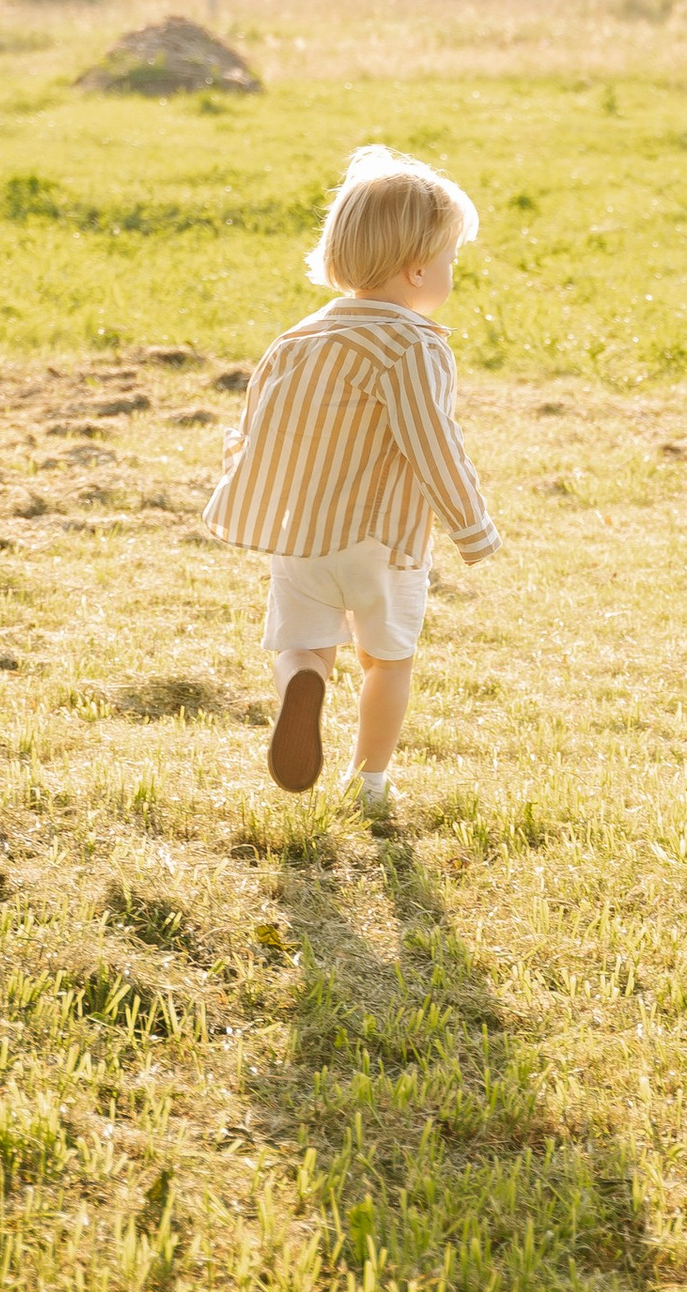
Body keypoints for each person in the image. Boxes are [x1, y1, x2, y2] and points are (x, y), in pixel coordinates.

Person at [202, 145, 500, 825]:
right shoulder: (414, 344)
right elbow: (433, 443)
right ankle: (370, 781)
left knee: (302, 645)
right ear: (418, 267)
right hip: (379, 542)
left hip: (300, 537)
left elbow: (253, 431)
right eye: (451, 261)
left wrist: (246, 495)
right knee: (387, 661)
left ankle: (301, 683)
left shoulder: (298, 339)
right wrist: (471, 528)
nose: (451, 274)